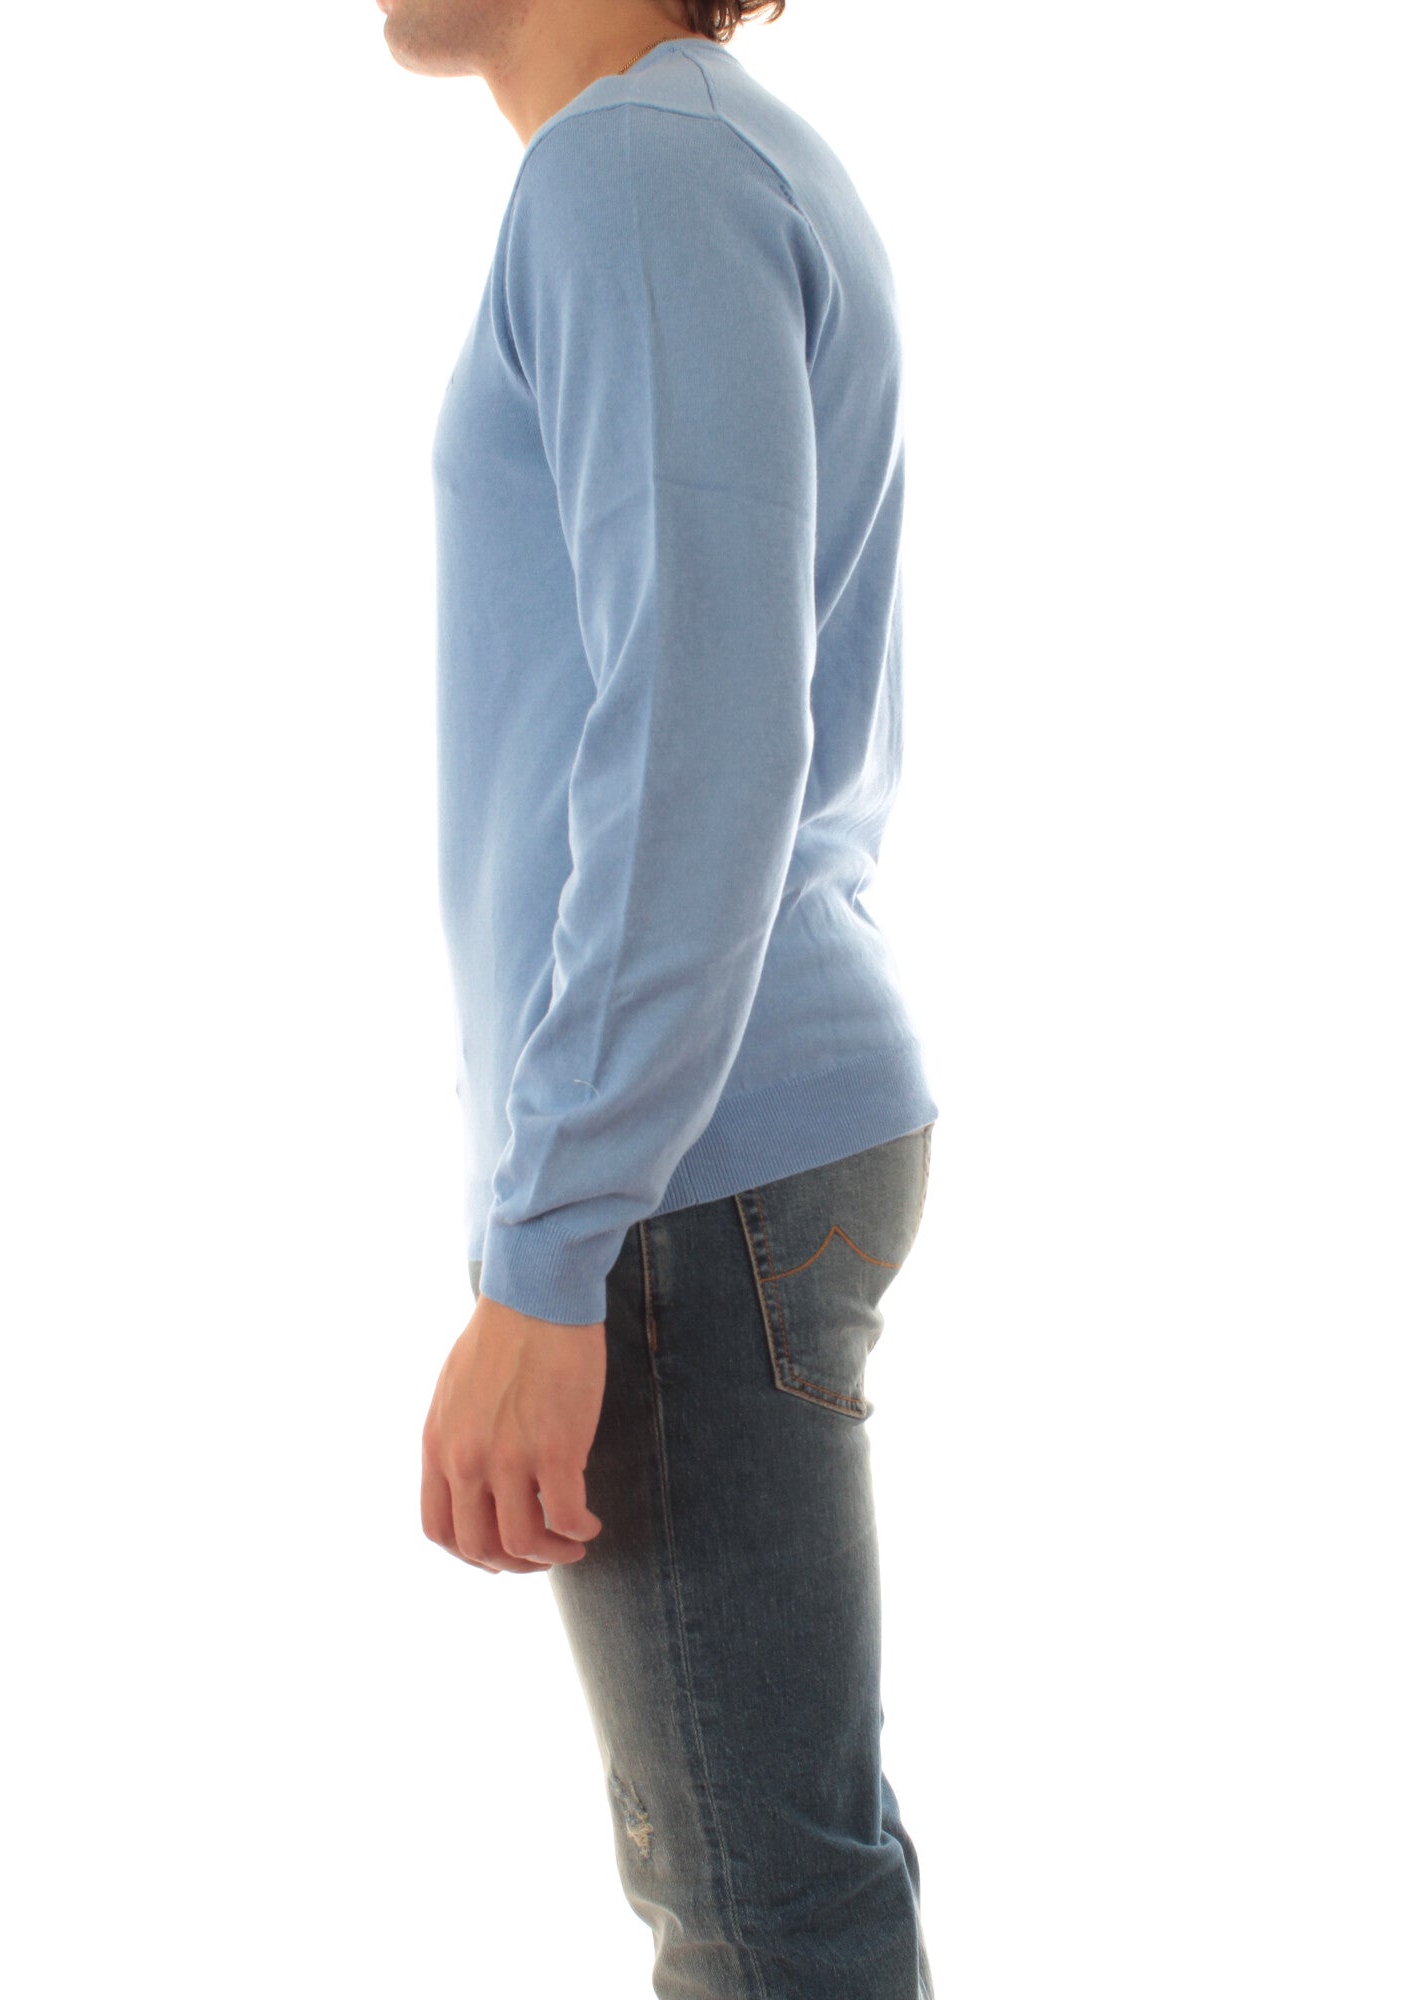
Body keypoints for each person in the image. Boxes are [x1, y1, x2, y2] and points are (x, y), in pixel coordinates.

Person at [386, 1, 940, 1991]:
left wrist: (553, 1245)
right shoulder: (697, 157)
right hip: (727, 1135)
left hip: (689, 1168)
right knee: (774, 1883)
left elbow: (706, 729)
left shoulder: (632, 169)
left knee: (760, 1911)